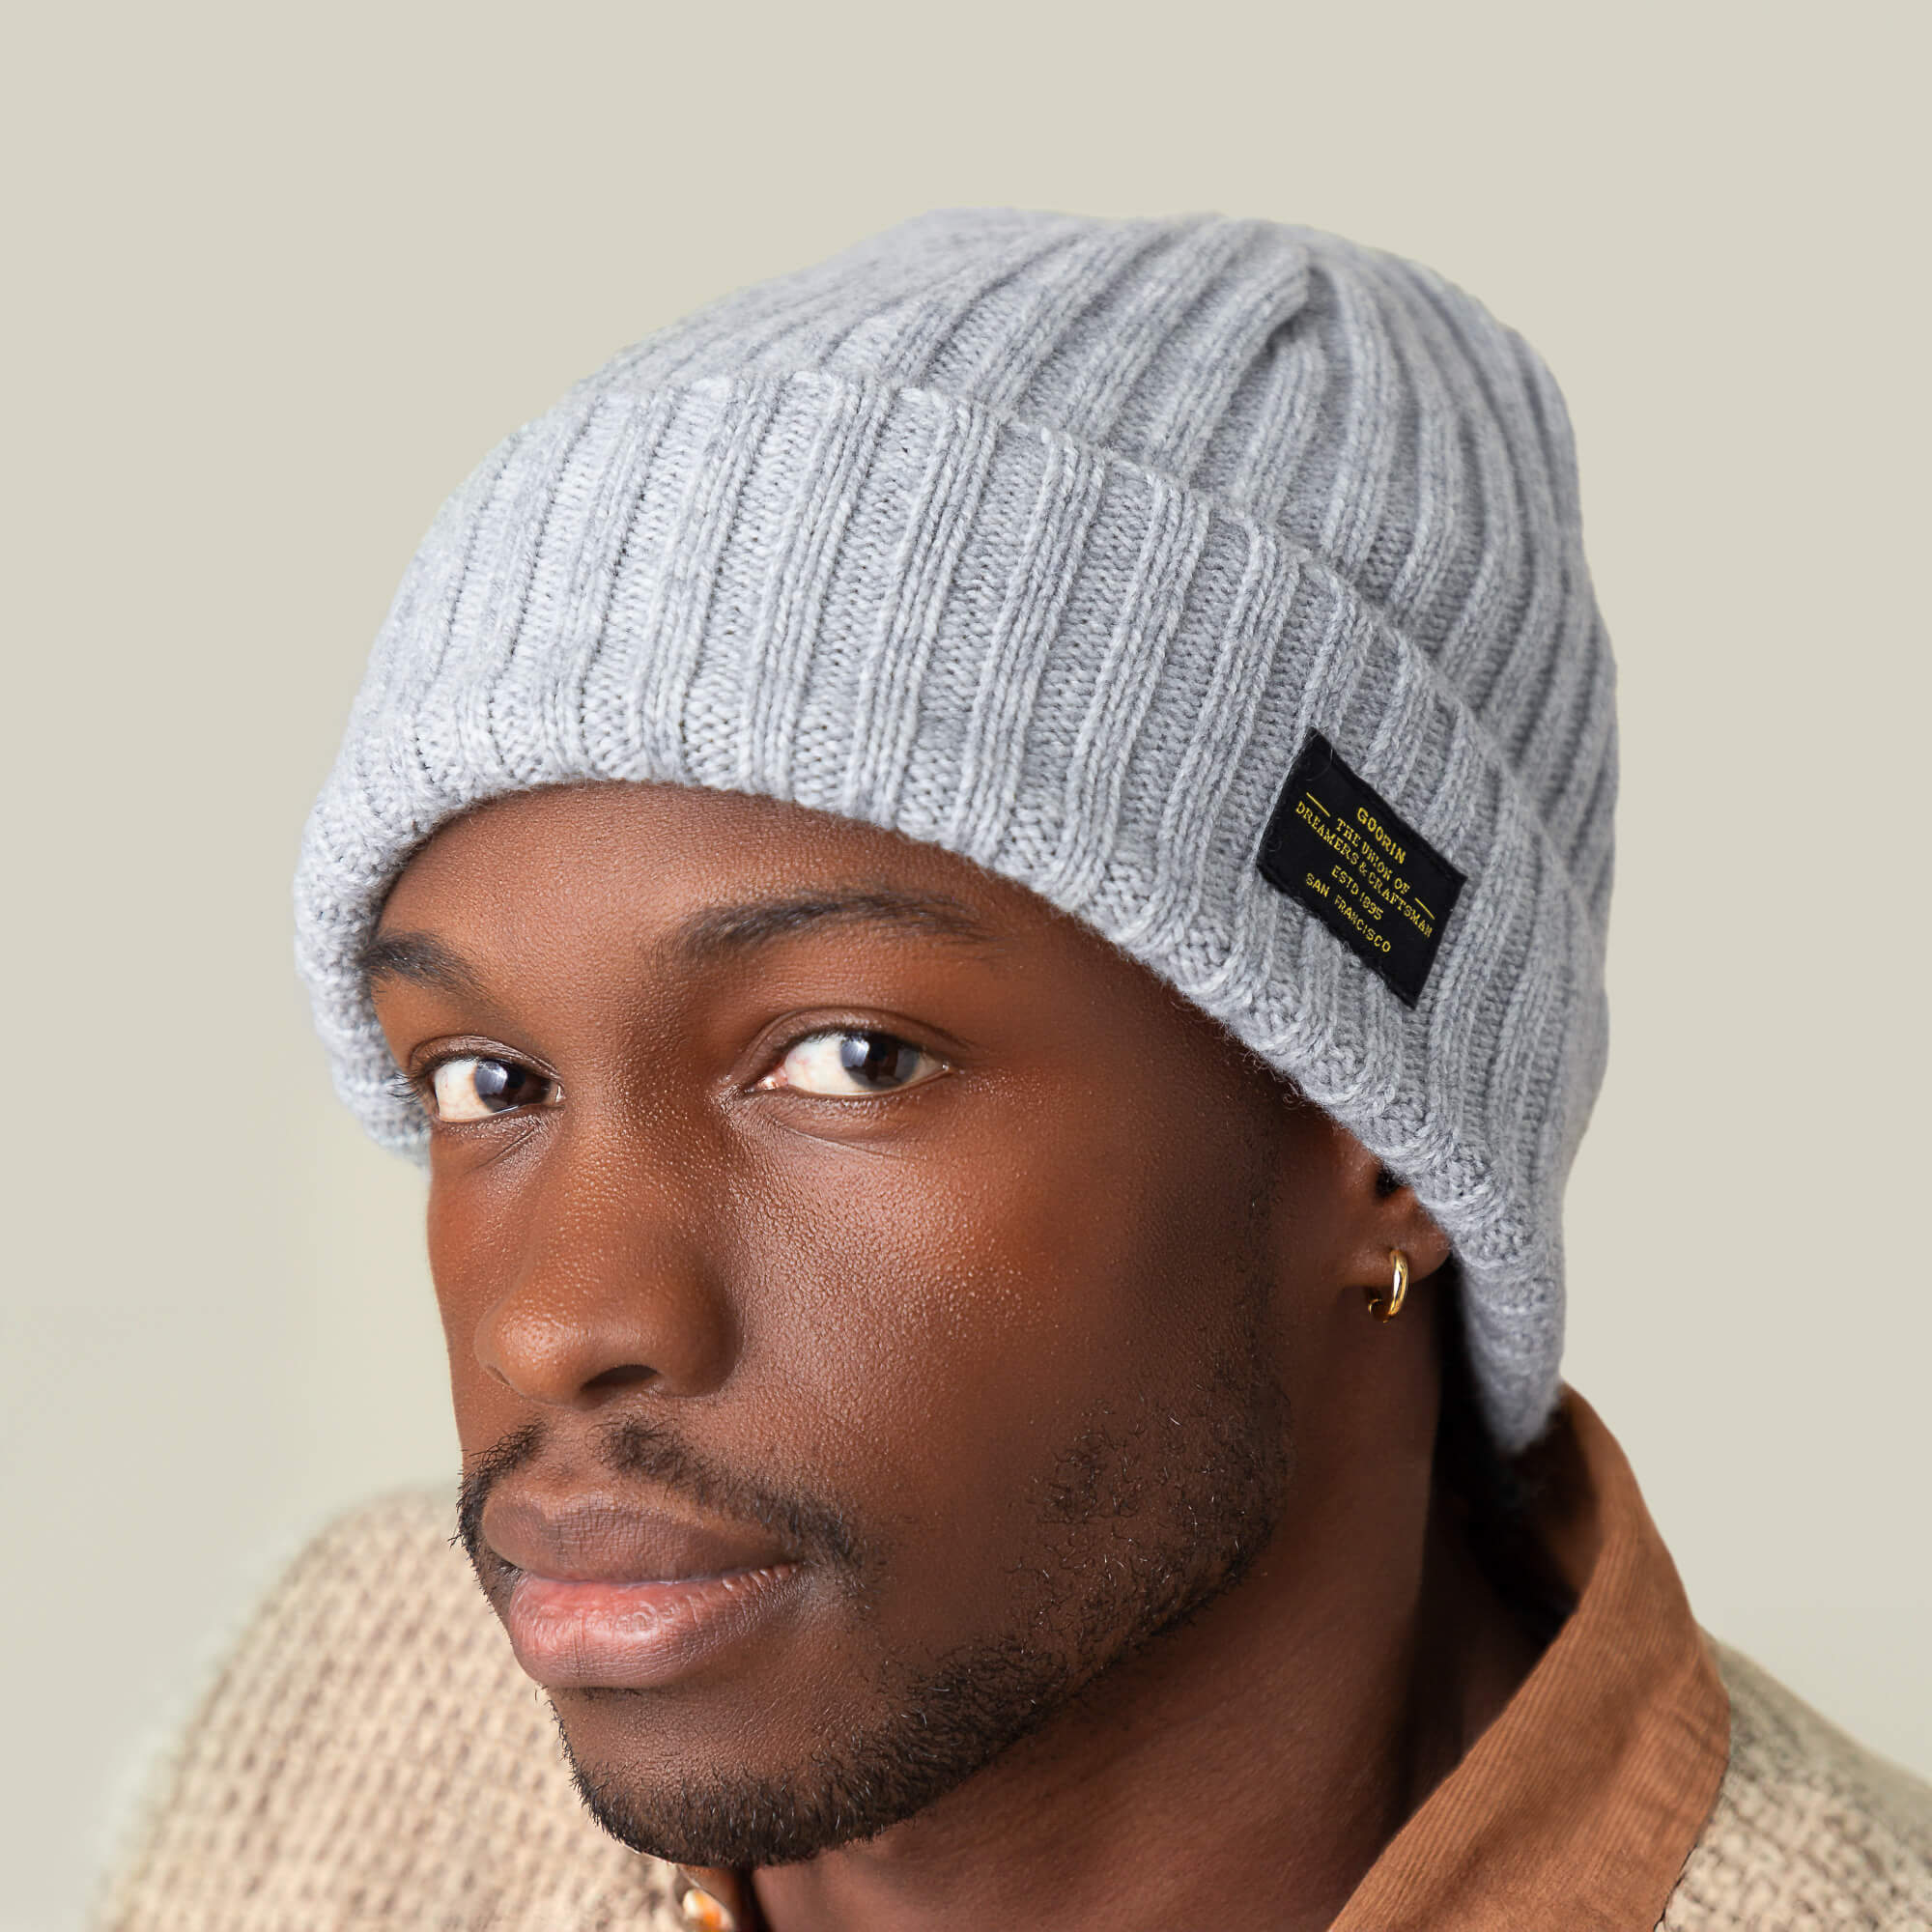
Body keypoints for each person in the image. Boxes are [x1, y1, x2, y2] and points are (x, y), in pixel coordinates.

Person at [97, 211, 1932, 1930]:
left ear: (1378, 1126)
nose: (556, 1324)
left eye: (849, 1056)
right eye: (489, 1081)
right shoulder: (350, 1702)